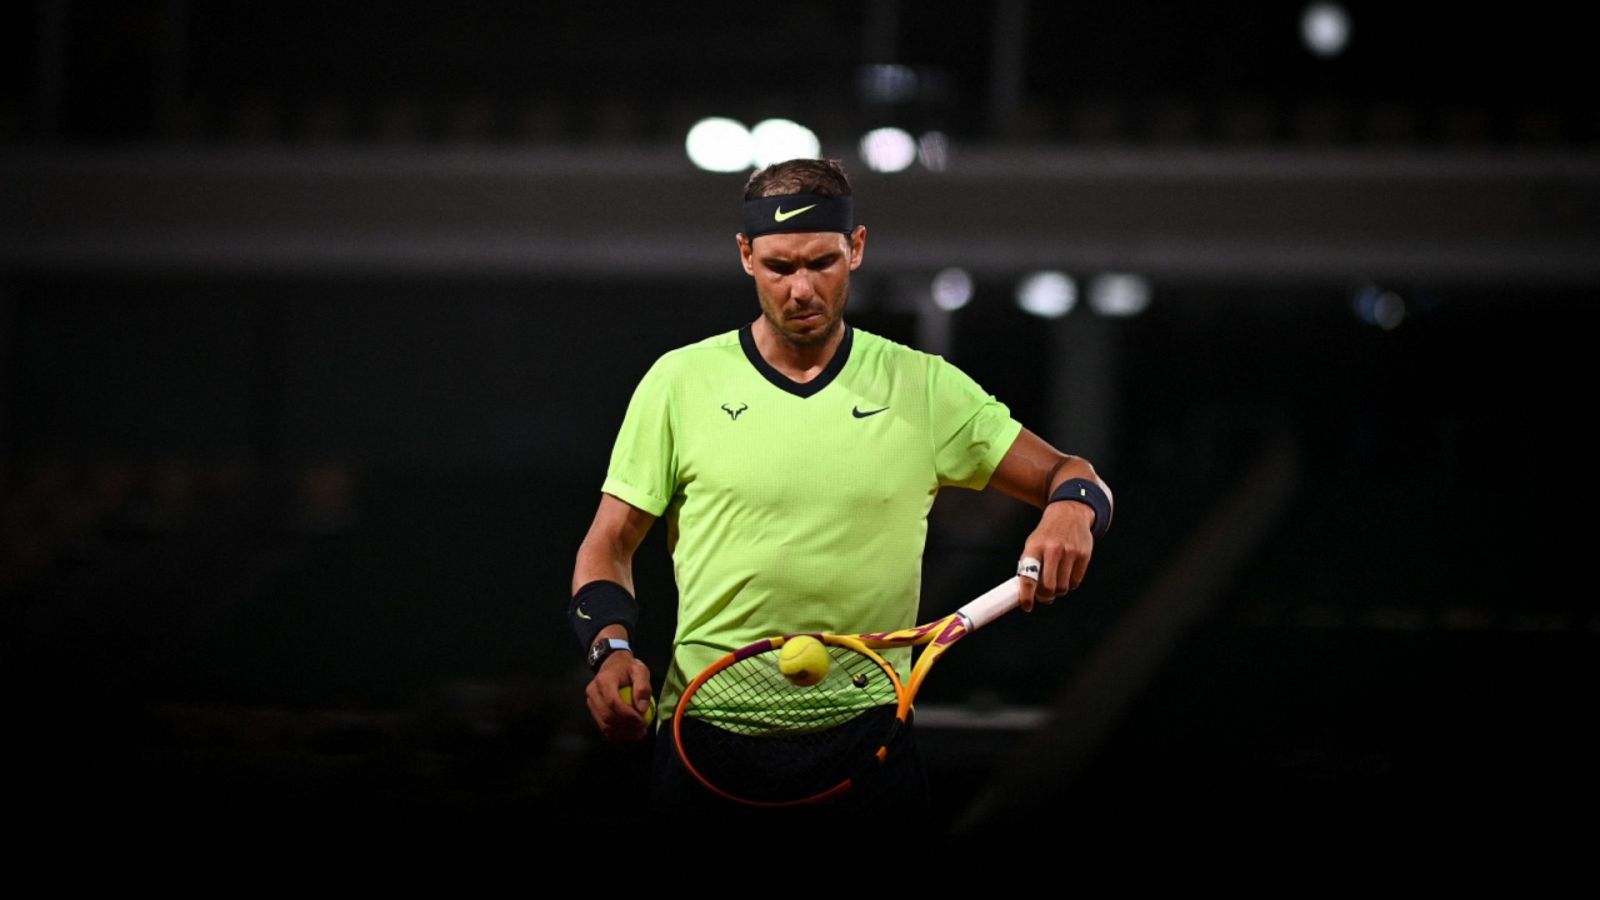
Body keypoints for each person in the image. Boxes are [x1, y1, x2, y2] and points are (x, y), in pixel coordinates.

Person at [569, 158, 1112, 822]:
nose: (801, 288)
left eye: (822, 263)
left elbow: (1070, 473)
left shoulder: (925, 388)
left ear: (856, 248)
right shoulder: (678, 383)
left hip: (870, 739)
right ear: (745, 255)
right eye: (779, 266)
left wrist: (1071, 511)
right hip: (704, 735)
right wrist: (611, 650)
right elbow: (610, 542)